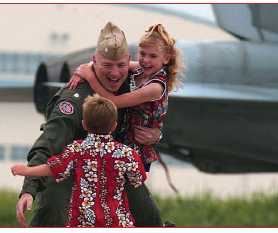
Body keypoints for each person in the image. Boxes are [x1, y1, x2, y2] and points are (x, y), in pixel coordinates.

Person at [16, 22, 163, 227]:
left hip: (113, 165)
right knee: (54, 210)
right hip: (69, 168)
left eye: (121, 65)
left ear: (130, 61)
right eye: (107, 66)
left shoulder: (136, 83)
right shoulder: (74, 100)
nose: (114, 74)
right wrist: (28, 190)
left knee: (149, 216)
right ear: (94, 61)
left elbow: (157, 112)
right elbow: (49, 144)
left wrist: (156, 135)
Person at [69, 23, 183, 190]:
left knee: (122, 194)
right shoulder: (140, 69)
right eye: (142, 54)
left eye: (153, 56)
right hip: (123, 142)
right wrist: (84, 71)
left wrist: (90, 77)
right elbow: (110, 65)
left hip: (137, 151)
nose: (145, 60)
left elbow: (114, 102)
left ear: (166, 59)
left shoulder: (156, 86)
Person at [12, 95, 147, 227]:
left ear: (84, 125)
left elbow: (53, 168)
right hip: (117, 222)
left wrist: (27, 170)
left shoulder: (76, 149)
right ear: (114, 126)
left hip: (82, 222)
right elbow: (138, 179)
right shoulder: (127, 154)